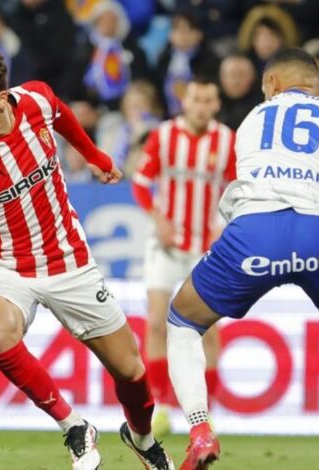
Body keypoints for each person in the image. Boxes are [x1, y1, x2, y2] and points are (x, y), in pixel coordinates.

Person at [0, 44, 174, 470]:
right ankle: (74, 427)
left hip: (67, 258)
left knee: (130, 371)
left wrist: (95, 157)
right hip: (4, 266)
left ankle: (142, 438)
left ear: (1, 98)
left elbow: (62, 115)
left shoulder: (36, 99)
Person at [166, 48, 319, 469]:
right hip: (316, 230)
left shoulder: (252, 119)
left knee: (182, 321)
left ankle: (199, 431)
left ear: (271, 85)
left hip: (255, 235)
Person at [131, 77, 236, 438]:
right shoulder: (163, 136)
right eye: (196, 99)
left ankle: (206, 413)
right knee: (157, 322)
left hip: (205, 248)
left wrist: (221, 226)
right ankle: (159, 405)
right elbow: (141, 182)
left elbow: (237, 191)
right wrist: (158, 219)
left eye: (208, 100)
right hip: (166, 242)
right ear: (185, 102)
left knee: (206, 327)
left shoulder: (227, 141)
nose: (202, 106)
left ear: (216, 104)